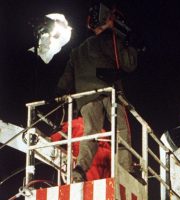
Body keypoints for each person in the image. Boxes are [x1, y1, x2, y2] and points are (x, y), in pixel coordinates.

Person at [56, 8, 138, 182]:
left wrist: (57, 95)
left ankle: (80, 168)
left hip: (85, 97)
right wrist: (130, 45)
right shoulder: (109, 40)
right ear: (106, 20)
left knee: (90, 133)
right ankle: (126, 171)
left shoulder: (77, 51)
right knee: (121, 130)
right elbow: (128, 64)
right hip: (109, 92)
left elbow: (66, 79)